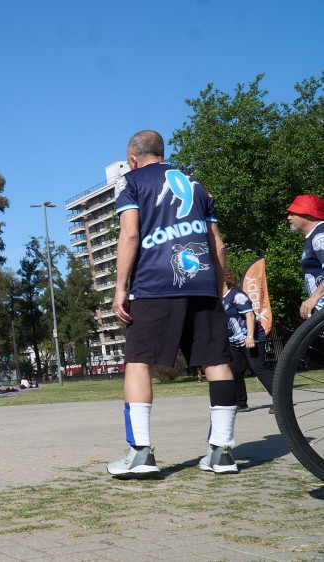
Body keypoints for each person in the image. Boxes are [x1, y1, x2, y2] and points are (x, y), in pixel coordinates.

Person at [106, 130, 238, 479]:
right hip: (204, 286)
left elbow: (130, 233)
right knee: (216, 362)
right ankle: (222, 453)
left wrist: (120, 287)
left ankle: (140, 454)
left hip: (154, 286)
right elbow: (218, 245)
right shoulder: (196, 184)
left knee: (138, 363)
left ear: (133, 157)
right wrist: (219, 287)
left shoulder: (131, 182)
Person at [222, 269, 273, 411]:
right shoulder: (219, 298)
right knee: (235, 371)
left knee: (258, 368)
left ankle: (280, 400)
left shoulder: (237, 296)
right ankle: (241, 403)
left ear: (225, 280)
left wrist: (250, 337)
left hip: (252, 339)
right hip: (233, 342)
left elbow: (250, 316)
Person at [286, 194, 324, 320]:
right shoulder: (313, 236)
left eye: (292, 213)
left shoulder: (320, 236)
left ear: (307, 214)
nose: (288, 217)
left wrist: (313, 298)